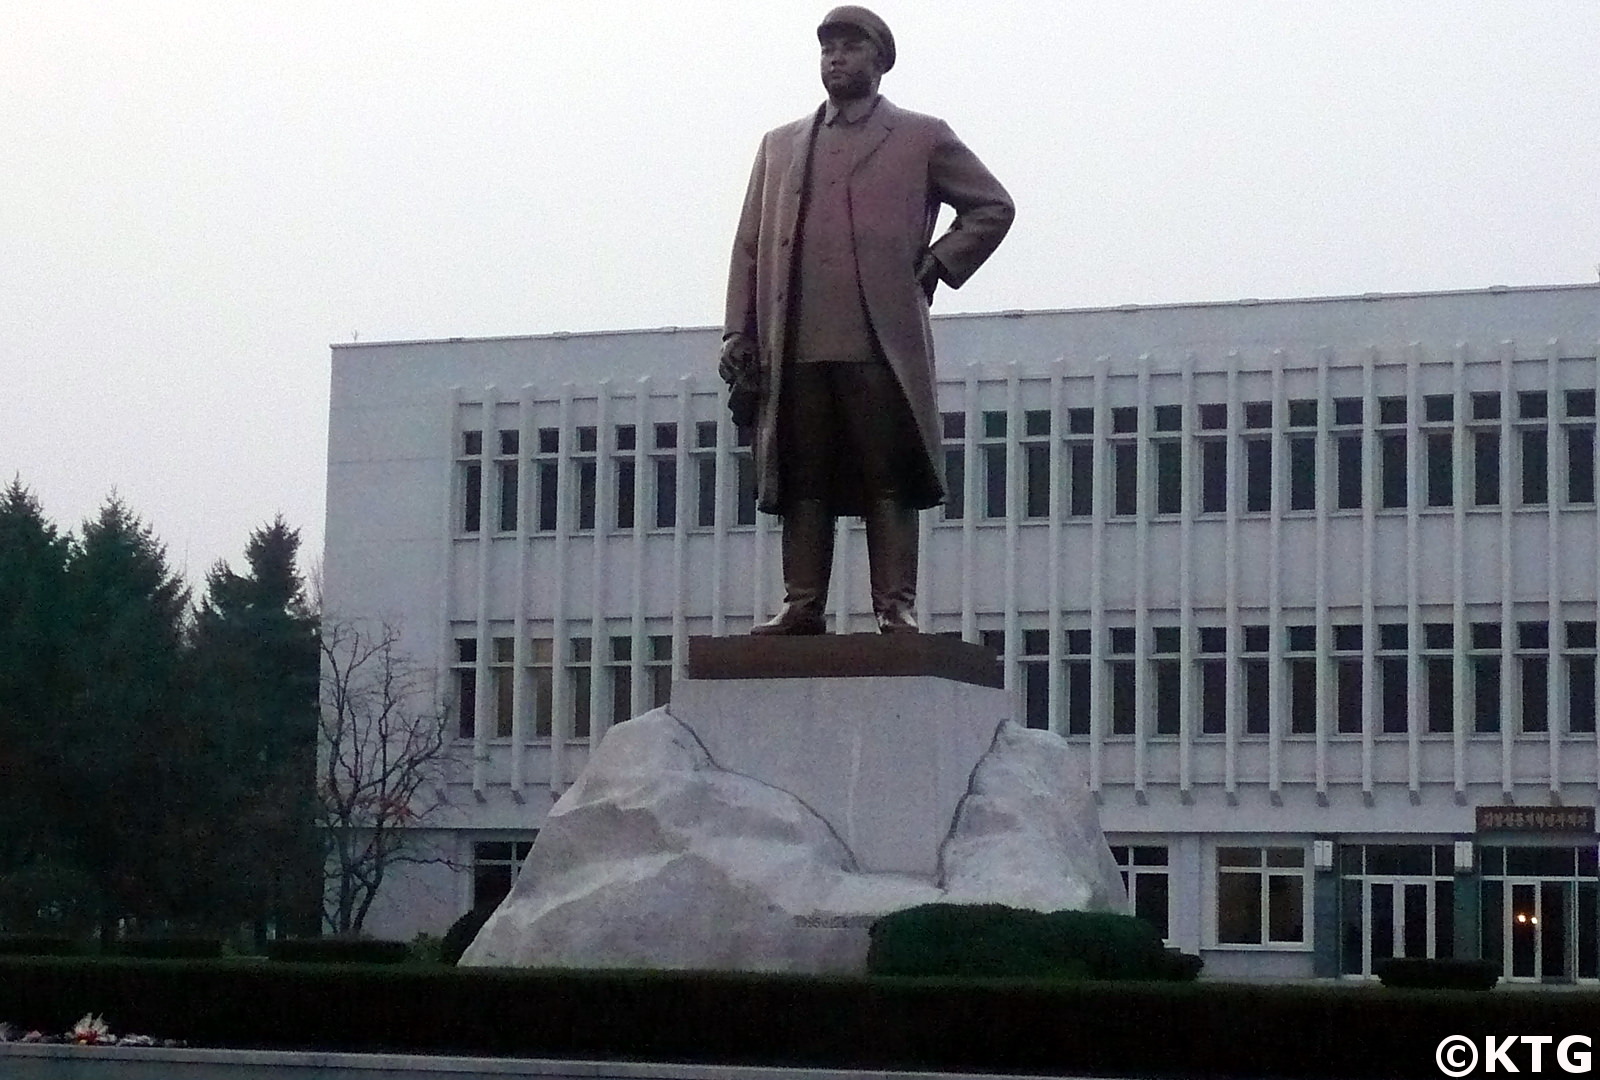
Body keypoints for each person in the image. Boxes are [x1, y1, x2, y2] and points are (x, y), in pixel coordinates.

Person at [721, 6, 1014, 636]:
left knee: (889, 475)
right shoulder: (780, 145)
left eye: (850, 46)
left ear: (879, 59)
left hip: (878, 343)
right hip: (793, 341)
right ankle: (802, 605)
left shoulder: (921, 136)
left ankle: (894, 606)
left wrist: (937, 263)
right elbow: (749, 245)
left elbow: (992, 206)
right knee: (803, 477)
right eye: (827, 47)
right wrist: (737, 332)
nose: (835, 57)